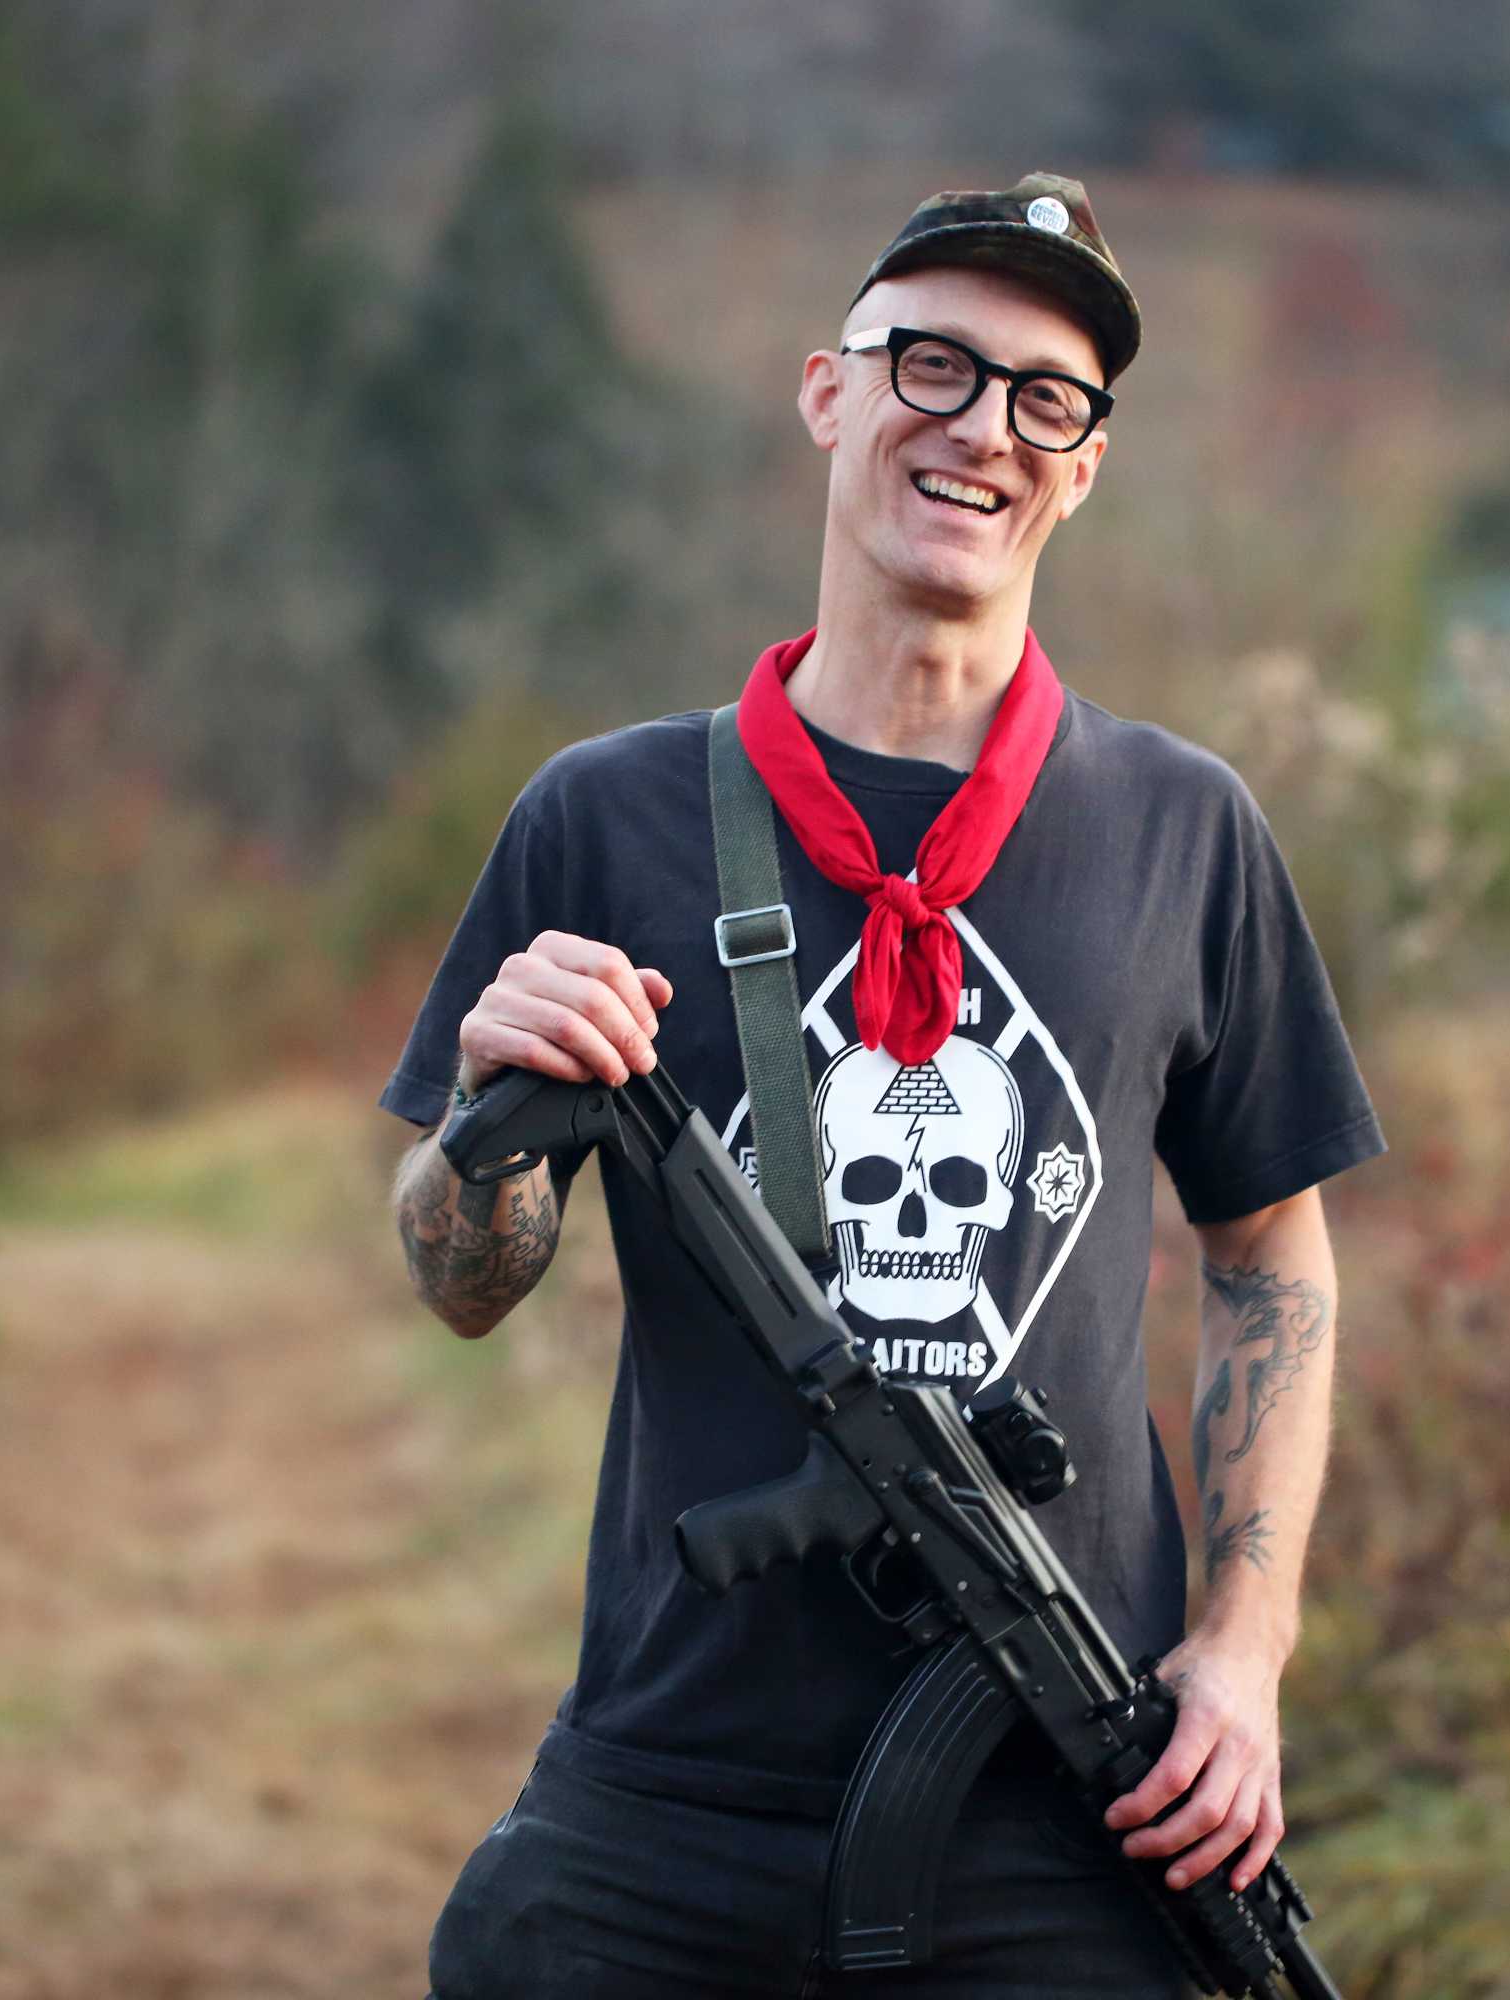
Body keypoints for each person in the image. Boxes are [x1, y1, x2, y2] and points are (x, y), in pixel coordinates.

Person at [382, 171, 1381, 1997]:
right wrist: (488, 1108)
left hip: (1070, 1796)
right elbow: (462, 1279)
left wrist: (1243, 1655)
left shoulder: (1185, 831)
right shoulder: (604, 817)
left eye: (1045, 398)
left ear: (1082, 468)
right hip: (673, 1780)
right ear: (827, 392)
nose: (983, 426)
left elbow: (1272, 1261)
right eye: (932, 364)